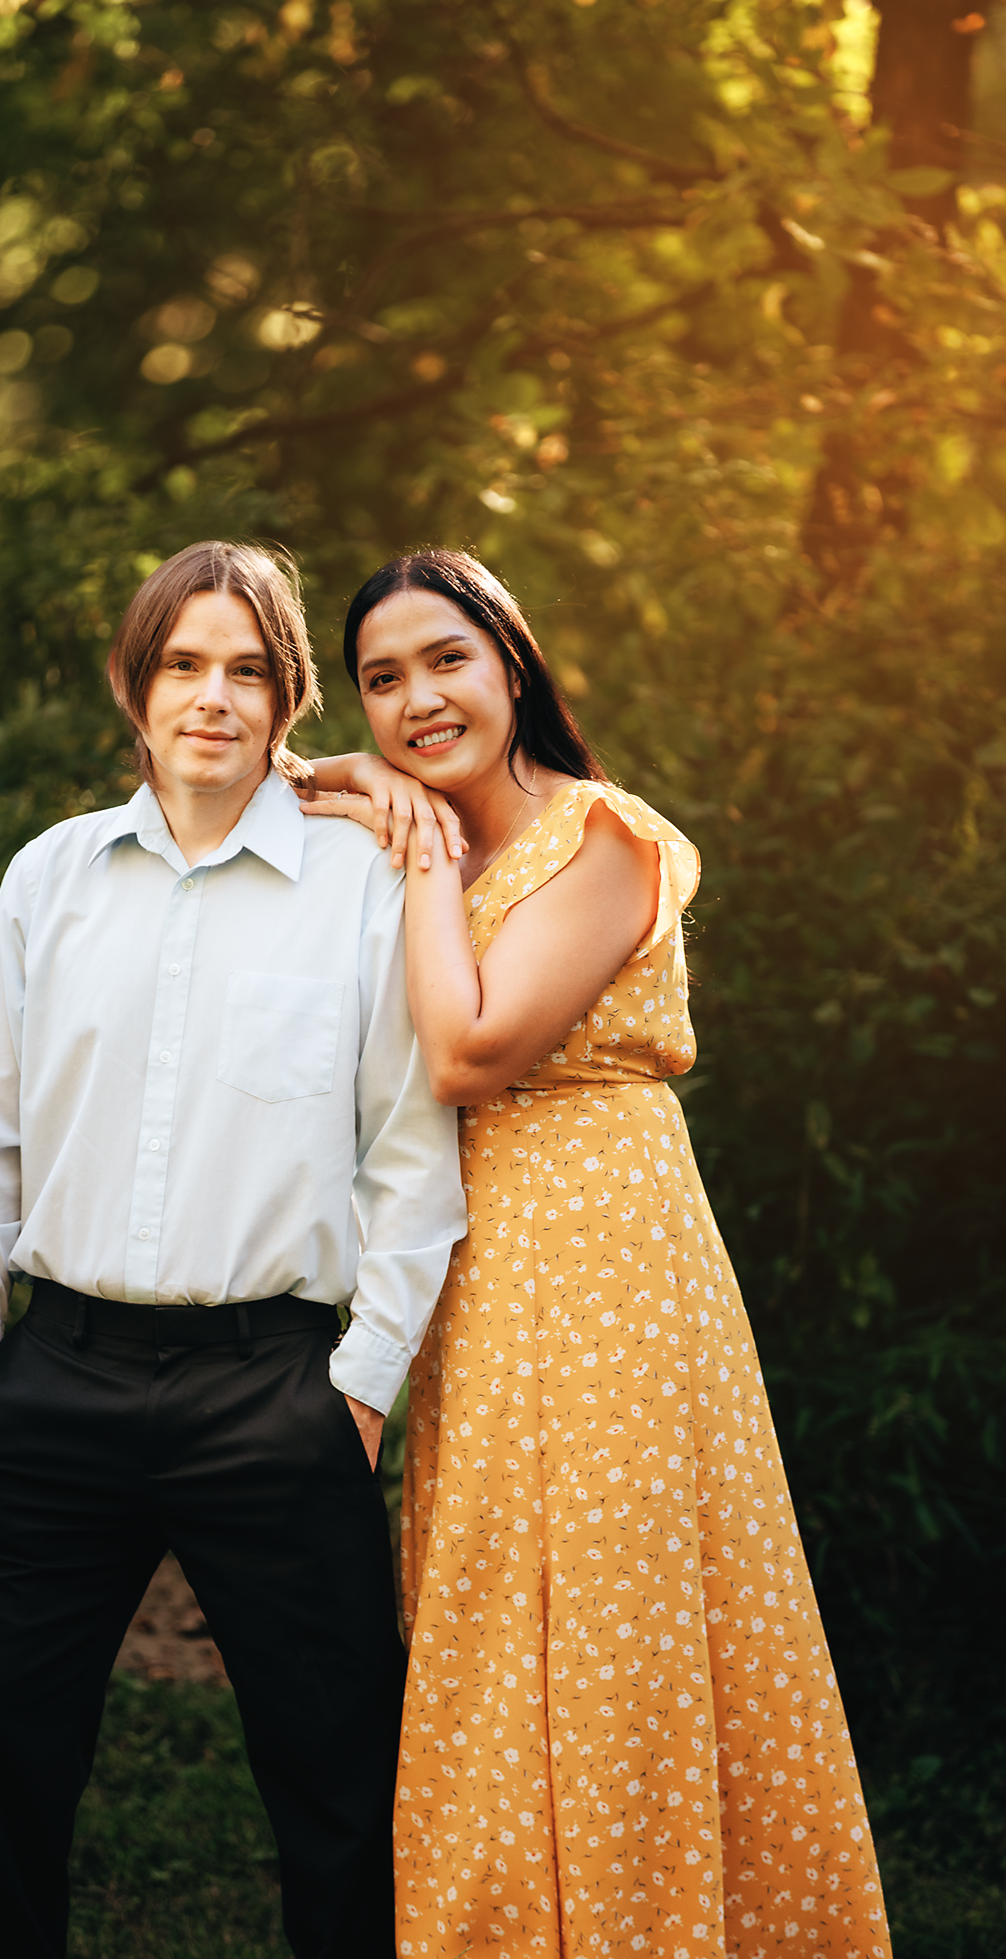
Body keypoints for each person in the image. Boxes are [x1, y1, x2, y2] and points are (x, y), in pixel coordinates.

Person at [301, 549, 889, 1959]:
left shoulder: (601, 836)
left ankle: (662, 1924)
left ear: (510, 661)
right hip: (473, 1257)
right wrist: (355, 777)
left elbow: (468, 1049)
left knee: (624, 1596)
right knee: (492, 1592)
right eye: (380, 681)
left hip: (608, 1244)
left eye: (445, 659)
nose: (417, 700)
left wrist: (425, 851)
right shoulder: (417, 826)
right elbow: (233, 770)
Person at [0, 540, 466, 1959]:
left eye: (245, 670)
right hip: (56, 1378)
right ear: (135, 684)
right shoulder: (51, 879)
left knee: (338, 1778)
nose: (209, 698)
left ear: (289, 699)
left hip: (273, 1392)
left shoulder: (364, 880)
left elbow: (413, 1155)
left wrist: (359, 1391)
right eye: (182, 664)